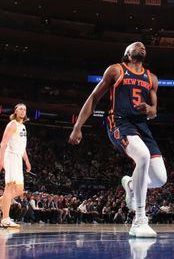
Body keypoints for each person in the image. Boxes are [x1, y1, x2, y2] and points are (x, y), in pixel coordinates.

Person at [69, 42, 167, 238]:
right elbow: (94, 97)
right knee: (143, 156)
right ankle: (139, 220)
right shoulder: (116, 70)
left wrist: (150, 110)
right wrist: (77, 127)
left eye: (144, 46)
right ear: (127, 53)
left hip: (141, 125)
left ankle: (131, 185)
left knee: (159, 178)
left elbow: (154, 110)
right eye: (136, 45)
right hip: (119, 122)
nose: (142, 46)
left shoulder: (152, 78)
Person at [0, 103, 31, 229]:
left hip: (18, 158)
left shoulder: (23, 127)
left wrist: (26, 160)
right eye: (20, 109)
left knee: (19, 191)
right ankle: (5, 219)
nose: (23, 111)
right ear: (15, 111)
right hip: (10, 157)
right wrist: (0, 159)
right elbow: (3, 143)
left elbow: (23, 147)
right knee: (9, 188)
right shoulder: (12, 124)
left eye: (25, 109)